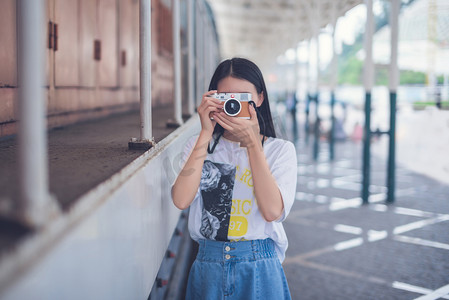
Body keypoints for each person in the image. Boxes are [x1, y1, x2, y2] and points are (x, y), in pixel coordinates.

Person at [171, 57, 297, 299]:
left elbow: (273, 212)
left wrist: (252, 145)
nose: (232, 105)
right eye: (226, 97)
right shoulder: (199, 147)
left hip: (259, 267)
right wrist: (205, 133)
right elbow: (181, 200)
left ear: (260, 98)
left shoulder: (280, 150)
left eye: (242, 97)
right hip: (208, 265)